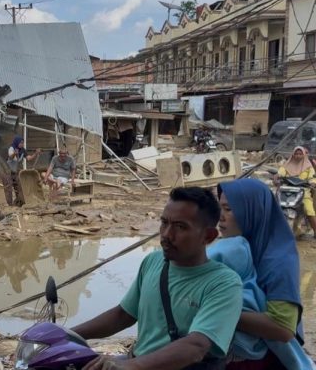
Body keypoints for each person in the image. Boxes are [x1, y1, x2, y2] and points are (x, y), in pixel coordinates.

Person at [72, 187, 243, 370]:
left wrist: (131, 366)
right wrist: (68, 334)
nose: (167, 234)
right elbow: (124, 314)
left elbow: (196, 346)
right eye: (164, 223)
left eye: (180, 227)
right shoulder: (153, 261)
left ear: (208, 236)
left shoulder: (224, 284)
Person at [216, 179, 314, 370]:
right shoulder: (235, 250)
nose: (221, 217)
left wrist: (215, 313)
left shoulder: (278, 260)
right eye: (220, 208)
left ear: (253, 211)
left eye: (228, 209)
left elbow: (283, 327)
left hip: (263, 362)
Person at [274, 146, 316, 236]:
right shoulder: (287, 165)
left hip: (303, 191)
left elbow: (313, 178)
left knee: (309, 211)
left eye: (300, 154)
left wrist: (312, 183)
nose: (298, 156)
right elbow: (280, 173)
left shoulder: (309, 167)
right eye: (296, 154)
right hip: (288, 190)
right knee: (276, 207)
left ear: (304, 155)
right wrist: (276, 178)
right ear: (293, 154)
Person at [3, 136, 40, 207]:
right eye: (21, 143)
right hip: (7, 170)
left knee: (19, 186)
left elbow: (28, 158)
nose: (22, 144)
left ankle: (19, 202)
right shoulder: (11, 148)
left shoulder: (22, 150)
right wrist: (15, 153)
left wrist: (35, 153)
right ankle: (10, 205)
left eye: (23, 143)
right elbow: (10, 157)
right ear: (17, 142)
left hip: (15, 171)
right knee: (8, 188)